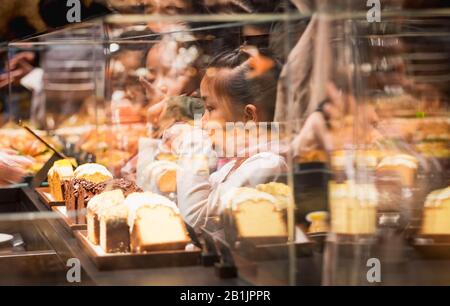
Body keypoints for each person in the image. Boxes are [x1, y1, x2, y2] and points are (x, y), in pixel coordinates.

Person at [175, 47, 286, 232]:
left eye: (210, 108)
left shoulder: (267, 164)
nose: (202, 122)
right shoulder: (233, 166)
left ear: (249, 117)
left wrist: (193, 145)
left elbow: (194, 221)